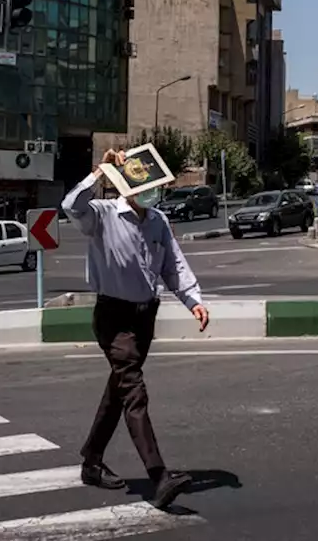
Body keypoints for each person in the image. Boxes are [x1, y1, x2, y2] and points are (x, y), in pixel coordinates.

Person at [61, 147, 210, 510]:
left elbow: (173, 264)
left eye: (155, 185)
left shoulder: (157, 220)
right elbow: (71, 206)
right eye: (145, 184)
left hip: (145, 317)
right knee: (134, 391)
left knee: (120, 392)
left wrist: (194, 300)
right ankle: (158, 476)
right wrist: (101, 172)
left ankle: (92, 460)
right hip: (114, 318)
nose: (151, 191)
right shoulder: (102, 215)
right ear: (126, 184)